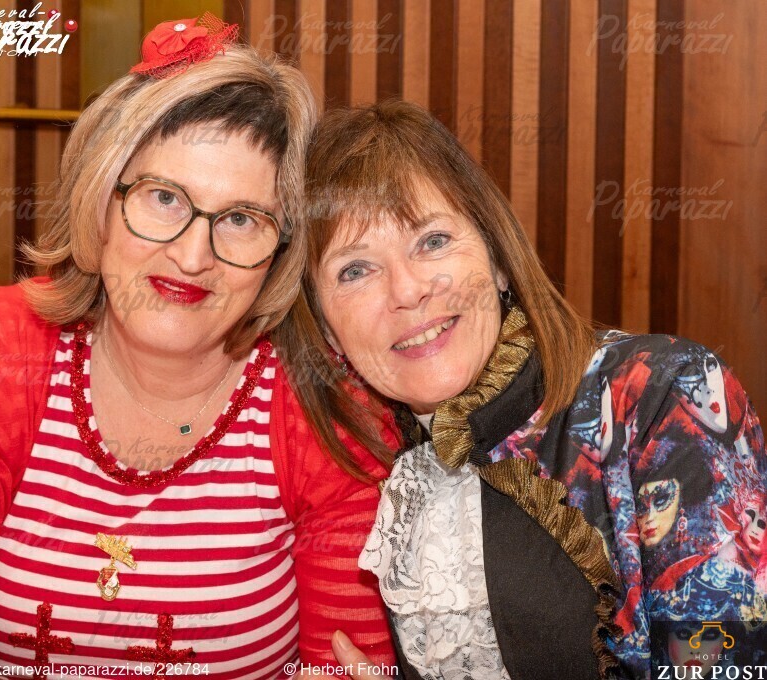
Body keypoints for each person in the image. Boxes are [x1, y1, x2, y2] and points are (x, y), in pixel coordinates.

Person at [0, 15, 397, 679]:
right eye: (164, 197)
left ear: (281, 248)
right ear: (100, 200)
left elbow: (346, 667)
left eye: (241, 218)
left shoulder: (324, 398)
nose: (194, 256)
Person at [277, 100, 767, 679]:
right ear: (327, 329)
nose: (406, 291)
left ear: (498, 260)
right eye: (355, 270)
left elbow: (721, 666)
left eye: (432, 240)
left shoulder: (661, 395)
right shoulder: (384, 471)